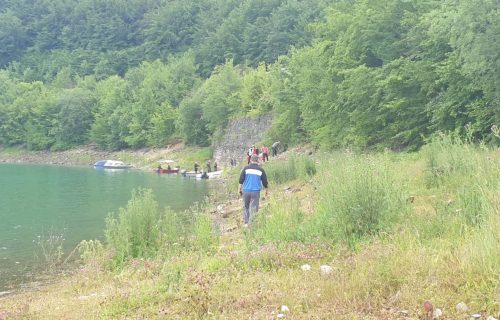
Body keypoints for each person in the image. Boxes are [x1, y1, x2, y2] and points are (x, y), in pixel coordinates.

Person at [238, 154, 269, 226]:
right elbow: (265, 181)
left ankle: (246, 223)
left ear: (250, 160)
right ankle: (252, 224)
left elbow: (241, 180)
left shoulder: (246, 168)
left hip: (246, 191)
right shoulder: (261, 170)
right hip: (255, 192)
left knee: (246, 207)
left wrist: (239, 189)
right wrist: (266, 190)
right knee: (254, 208)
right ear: (257, 160)